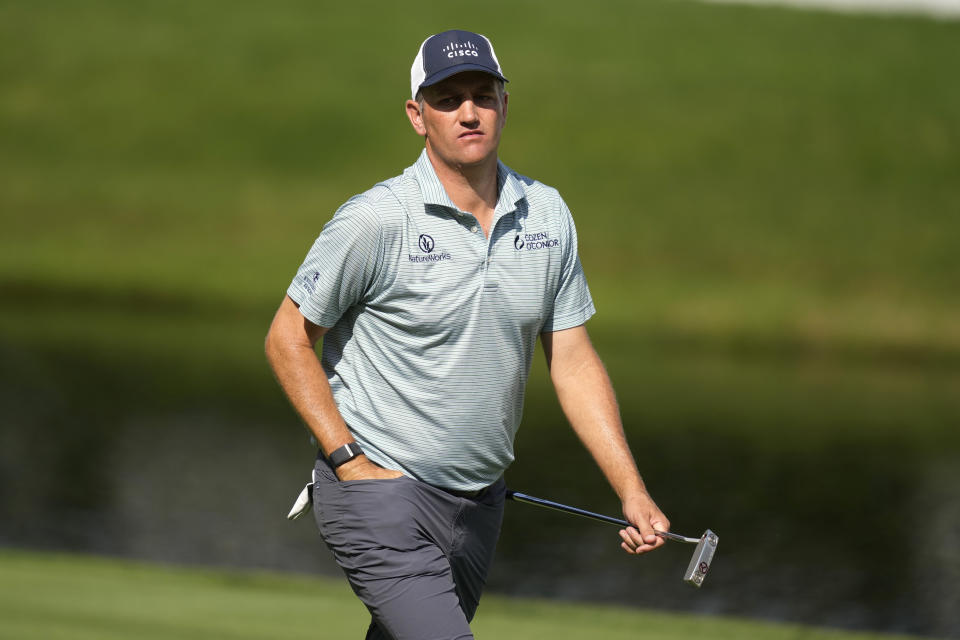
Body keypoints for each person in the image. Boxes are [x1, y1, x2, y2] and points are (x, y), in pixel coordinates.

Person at [265, 29, 670, 640]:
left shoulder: (547, 213)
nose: (469, 112)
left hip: (480, 504)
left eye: (483, 94)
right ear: (417, 115)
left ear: (505, 105)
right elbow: (287, 337)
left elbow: (573, 361)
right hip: (380, 495)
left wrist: (632, 490)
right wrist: (347, 461)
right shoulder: (378, 219)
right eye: (448, 98)